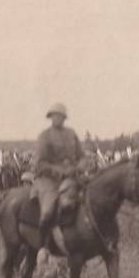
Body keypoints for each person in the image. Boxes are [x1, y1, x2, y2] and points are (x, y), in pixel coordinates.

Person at [34, 102, 85, 268]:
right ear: (50, 117)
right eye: (55, 116)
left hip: (71, 178)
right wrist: (59, 171)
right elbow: (40, 164)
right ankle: (43, 248)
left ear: (64, 118)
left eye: (61, 116)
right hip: (49, 180)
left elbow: (82, 156)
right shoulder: (45, 136)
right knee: (48, 211)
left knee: (88, 202)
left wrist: (79, 167)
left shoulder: (72, 134)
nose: (59, 119)